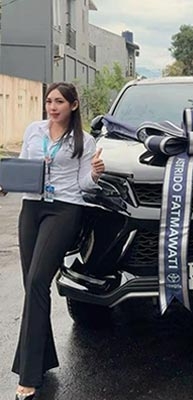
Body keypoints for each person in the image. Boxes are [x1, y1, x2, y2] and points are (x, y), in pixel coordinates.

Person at [0, 82, 105, 400]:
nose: (52, 107)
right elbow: (23, 164)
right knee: (32, 286)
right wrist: (5, 182)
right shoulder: (34, 130)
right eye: (49, 101)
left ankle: (29, 375)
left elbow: (83, 184)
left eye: (59, 101)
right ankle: (42, 358)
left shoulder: (84, 140)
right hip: (31, 208)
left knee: (36, 281)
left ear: (73, 105)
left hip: (64, 210)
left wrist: (95, 173)